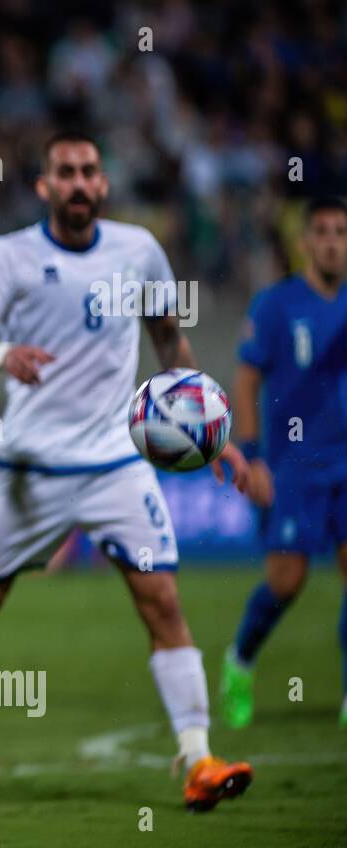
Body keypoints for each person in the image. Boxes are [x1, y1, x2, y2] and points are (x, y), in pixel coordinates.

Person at [0, 132, 253, 812]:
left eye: (89, 172)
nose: (79, 182)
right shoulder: (10, 256)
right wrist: (2, 357)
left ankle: (198, 758)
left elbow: (168, 340)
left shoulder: (138, 251)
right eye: (65, 173)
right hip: (30, 464)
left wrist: (213, 433)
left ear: (103, 184)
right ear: (45, 186)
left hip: (117, 461)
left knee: (162, 600)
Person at [221, 196, 347, 729]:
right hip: (292, 466)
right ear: (304, 243)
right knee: (286, 581)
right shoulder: (275, 305)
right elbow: (247, 383)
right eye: (321, 231)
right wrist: (253, 459)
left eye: (341, 231)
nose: (332, 241)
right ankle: (240, 661)